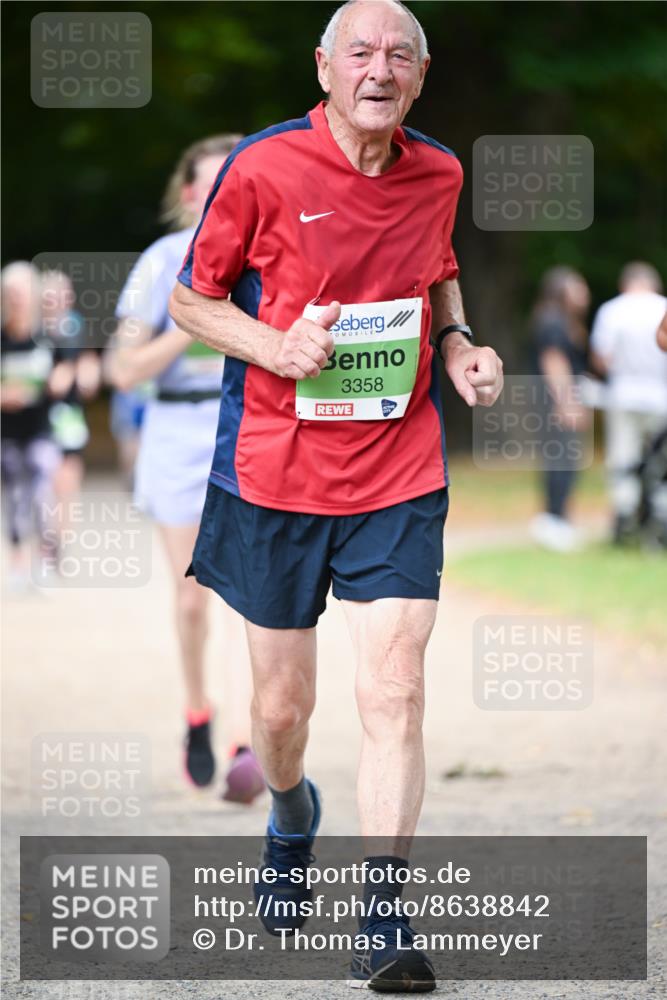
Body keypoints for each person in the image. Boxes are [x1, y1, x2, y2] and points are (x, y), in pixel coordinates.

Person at [169, 0, 503, 990]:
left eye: (400, 54)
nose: (379, 67)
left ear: (421, 76)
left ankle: (384, 915)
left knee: (393, 685)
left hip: (399, 467)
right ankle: (288, 810)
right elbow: (192, 297)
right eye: (359, 50)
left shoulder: (437, 171)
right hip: (275, 472)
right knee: (283, 709)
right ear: (324, 67)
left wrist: (458, 346)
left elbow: (437, 272)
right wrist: (274, 345)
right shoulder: (265, 166)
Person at [108, 135, 265, 804]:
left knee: (250, 596)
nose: (222, 192)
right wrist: (194, 320)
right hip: (176, 430)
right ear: (188, 194)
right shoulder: (161, 263)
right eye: (209, 183)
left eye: (235, 179)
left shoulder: (268, 254)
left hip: (251, 426)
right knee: (194, 596)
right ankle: (198, 712)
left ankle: (244, 744)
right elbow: (122, 369)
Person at [1, 263, 72, 589]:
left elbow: (65, 371)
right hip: (7, 431)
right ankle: (17, 562)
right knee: (15, 496)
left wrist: (54, 383)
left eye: (22, 292)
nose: (17, 299)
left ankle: (45, 558)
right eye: (11, 293)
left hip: (41, 428)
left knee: (43, 492)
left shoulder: (48, 335)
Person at [590, 262, 667, 543]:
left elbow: (602, 357)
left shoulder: (612, 310)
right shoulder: (663, 307)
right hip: (660, 396)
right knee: (661, 460)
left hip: (623, 394)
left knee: (623, 458)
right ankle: (660, 518)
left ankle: (624, 517)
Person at [529, 266, 591, 553]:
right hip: (556, 399)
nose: (584, 292)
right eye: (577, 286)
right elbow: (554, 363)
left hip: (560, 397)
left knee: (565, 458)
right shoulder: (552, 321)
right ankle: (553, 520)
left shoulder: (564, 321)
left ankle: (559, 518)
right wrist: (566, 402)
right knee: (560, 458)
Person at [41, 270, 101, 509]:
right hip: (39, 412)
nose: (60, 301)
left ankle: (62, 534)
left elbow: (88, 361)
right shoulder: (33, 328)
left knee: (69, 469)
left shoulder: (76, 325)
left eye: (64, 295)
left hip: (68, 410)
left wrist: (87, 375)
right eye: (53, 296)